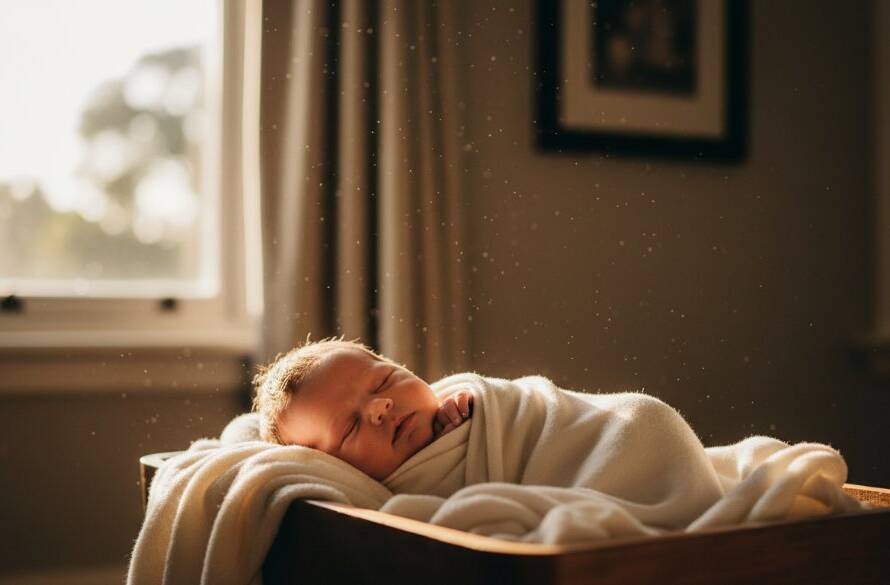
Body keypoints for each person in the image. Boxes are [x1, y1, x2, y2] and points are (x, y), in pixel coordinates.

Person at [252, 338, 473, 480]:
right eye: (350, 427)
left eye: (384, 382)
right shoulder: (388, 507)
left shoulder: (462, 403)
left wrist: (471, 412)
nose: (379, 407)